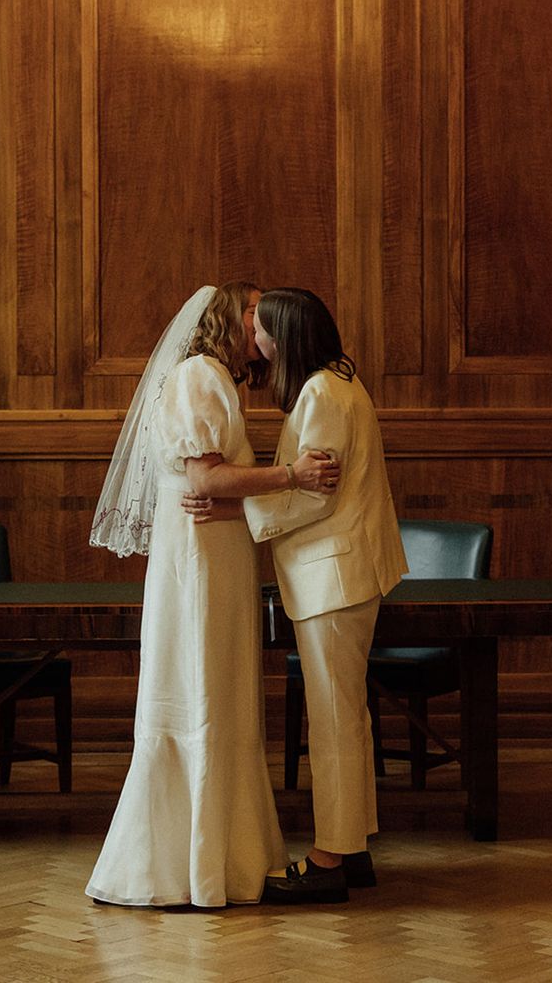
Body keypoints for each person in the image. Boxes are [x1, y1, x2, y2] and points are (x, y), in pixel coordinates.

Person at [85, 283, 339, 908]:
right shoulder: (198, 374)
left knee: (222, 691)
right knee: (202, 687)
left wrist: (232, 504)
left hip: (218, 554)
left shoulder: (216, 378)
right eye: (254, 308)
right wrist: (291, 475)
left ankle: (225, 858)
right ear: (227, 316)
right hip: (197, 567)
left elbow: (213, 490)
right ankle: (187, 867)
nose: (263, 320)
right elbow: (203, 477)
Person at [189, 287, 406, 904]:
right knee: (348, 715)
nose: (253, 336)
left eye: (262, 328)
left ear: (284, 337)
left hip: (332, 576)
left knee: (333, 719)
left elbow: (316, 491)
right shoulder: (339, 382)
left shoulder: (321, 391)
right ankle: (355, 845)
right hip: (342, 574)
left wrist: (234, 508)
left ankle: (330, 858)